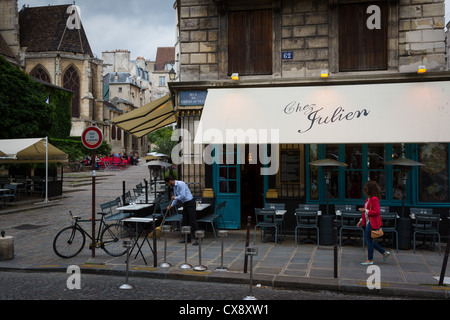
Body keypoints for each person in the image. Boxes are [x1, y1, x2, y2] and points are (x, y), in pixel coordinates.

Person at [357, 181, 390, 265]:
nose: (365, 191)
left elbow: (376, 212)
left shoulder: (374, 199)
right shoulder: (368, 199)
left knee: (369, 240)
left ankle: (370, 259)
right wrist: (360, 220)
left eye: (366, 189)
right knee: (369, 240)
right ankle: (384, 253)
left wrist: (366, 210)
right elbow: (366, 212)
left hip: (371, 223)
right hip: (368, 221)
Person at [165, 176, 199, 245]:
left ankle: (198, 238)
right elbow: (175, 199)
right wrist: (170, 206)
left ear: (170, 181)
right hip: (185, 204)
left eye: (167, 183)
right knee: (185, 221)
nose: (168, 185)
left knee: (193, 221)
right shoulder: (174, 187)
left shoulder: (181, 184)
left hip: (190, 203)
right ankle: (187, 238)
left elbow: (183, 195)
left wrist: (175, 197)